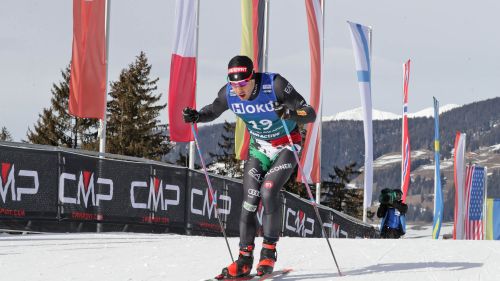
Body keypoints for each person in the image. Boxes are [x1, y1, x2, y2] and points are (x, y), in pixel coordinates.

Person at [182, 55, 316, 278]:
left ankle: (268, 252)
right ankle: (244, 259)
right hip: (259, 148)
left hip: (286, 146)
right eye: (234, 85)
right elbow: (213, 110)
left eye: (243, 84)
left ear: (253, 77)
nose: (239, 90)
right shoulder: (229, 94)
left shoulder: (275, 85)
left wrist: (289, 113)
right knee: (249, 201)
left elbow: (309, 112)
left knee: (268, 190)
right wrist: (197, 116)